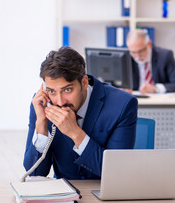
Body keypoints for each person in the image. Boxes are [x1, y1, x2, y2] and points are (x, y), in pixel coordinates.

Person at [23, 47, 138, 179]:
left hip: (104, 193)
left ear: (84, 82)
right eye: (52, 91)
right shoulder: (42, 104)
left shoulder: (123, 105)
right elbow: (34, 174)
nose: (60, 102)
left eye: (67, 90)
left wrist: (75, 133)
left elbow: (116, 173)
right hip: (65, 195)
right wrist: (41, 126)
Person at [126, 29, 175, 94]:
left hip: (159, 101)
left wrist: (156, 89)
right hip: (135, 100)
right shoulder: (126, 58)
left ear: (149, 44)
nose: (137, 56)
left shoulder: (165, 55)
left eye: (140, 51)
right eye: (133, 52)